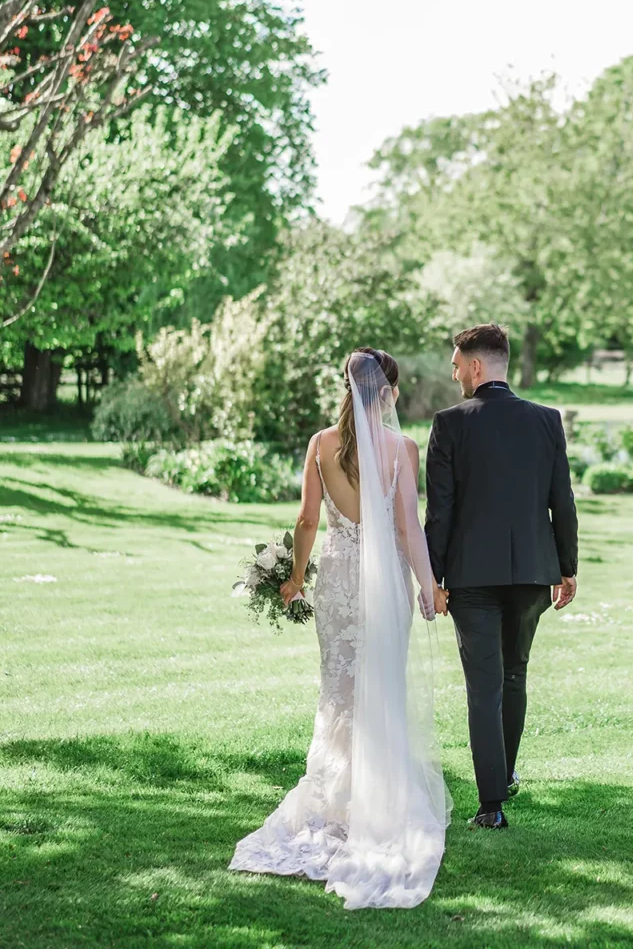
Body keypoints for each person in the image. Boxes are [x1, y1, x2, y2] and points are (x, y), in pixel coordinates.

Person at [229, 348, 449, 908]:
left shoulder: (322, 444)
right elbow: (407, 531)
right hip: (386, 588)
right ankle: (378, 803)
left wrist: (295, 576)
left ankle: (335, 804)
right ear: (390, 393)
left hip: (340, 584)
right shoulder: (401, 448)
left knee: (339, 693)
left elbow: (307, 519)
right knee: (381, 691)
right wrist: (427, 584)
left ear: (347, 388)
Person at [424, 324, 579, 830]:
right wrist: (567, 567)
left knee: (484, 686)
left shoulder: (449, 424)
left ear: (475, 366)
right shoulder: (546, 421)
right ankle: (505, 774)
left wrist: (434, 577)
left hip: (471, 577)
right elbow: (563, 501)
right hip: (534, 572)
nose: (453, 374)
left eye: (455, 365)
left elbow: (440, 512)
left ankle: (491, 805)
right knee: (515, 673)